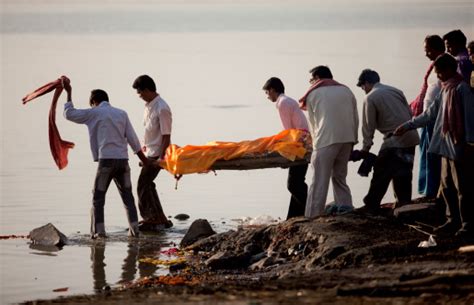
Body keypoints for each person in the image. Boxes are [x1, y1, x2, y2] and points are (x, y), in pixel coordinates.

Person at [394, 54, 474, 239]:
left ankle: (467, 224)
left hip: (460, 146)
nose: (437, 76)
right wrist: (408, 125)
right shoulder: (445, 90)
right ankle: (452, 219)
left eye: (439, 72)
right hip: (445, 146)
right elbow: (430, 114)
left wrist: (470, 143)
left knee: (464, 188)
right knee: (446, 187)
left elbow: (470, 118)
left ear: (448, 70)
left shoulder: (462, 89)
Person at [62, 78, 148, 239]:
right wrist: (144, 159)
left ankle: (99, 233)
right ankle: (135, 231)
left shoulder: (94, 113)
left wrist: (68, 92)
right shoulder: (121, 113)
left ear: (94, 102)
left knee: (98, 198)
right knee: (128, 197)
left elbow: (69, 114)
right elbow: (132, 138)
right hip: (123, 162)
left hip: (106, 162)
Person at [356, 69, 419, 213]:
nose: (363, 90)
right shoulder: (396, 91)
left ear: (366, 83)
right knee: (403, 172)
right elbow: (409, 113)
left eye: (362, 87)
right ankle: (403, 204)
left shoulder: (370, 97)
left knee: (381, 172)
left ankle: (371, 205)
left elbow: (368, 126)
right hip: (411, 136)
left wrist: (365, 149)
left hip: (394, 140)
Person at [300, 66, 359, 218]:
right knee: (339, 176)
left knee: (319, 180)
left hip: (326, 140)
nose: (311, 83)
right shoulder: (347, 91)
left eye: (311, 79)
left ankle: (313, 215)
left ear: (318, 77)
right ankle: (345, 207)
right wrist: (354, 140)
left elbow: (313, 125)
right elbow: (355, 117)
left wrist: (313, 146)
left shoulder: (314, 93)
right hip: (347, 138)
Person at [262, 77, 310, 219]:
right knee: (296, 181)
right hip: (304, 140)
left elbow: (289, 131)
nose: (267, 96)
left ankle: (307, 211)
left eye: (267, 92)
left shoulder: (282, 103)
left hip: (299, 143)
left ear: (272, 90)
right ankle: (294, 216)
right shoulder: (288, 100)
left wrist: (281, 151)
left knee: (294, 184)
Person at [132, 75, 172, 230]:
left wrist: (161, 159)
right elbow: (149, 132)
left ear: (148, 90)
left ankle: (152, 218)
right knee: (148, 184)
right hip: (149, 151)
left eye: (140, 93)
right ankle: (159, 217)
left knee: (142, 185)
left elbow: (166, 135)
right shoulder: (149, 106)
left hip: (157, 153)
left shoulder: (162, 108)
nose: (139, 96)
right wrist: (143, 150)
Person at [409, 35, 445, 200]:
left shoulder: (445, 64)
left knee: (432, 154)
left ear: (435, 48)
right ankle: (426, 190)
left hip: (436, 117)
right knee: (425, 152)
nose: (425, 53)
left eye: (427, 50)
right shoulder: (434, 66)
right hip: (427, 117)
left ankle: (432, 191)